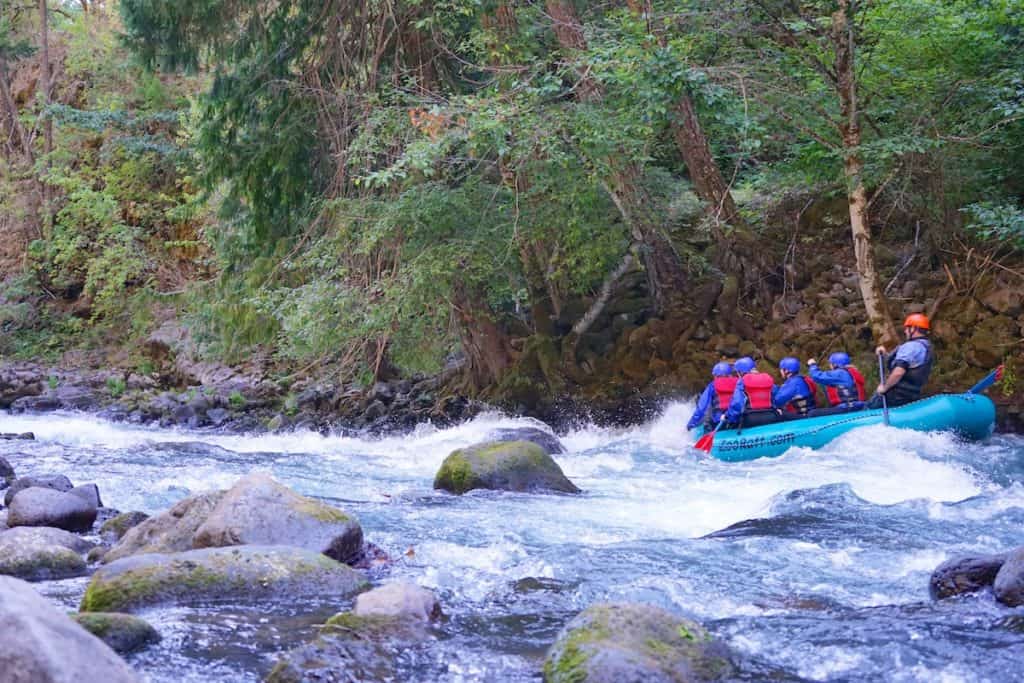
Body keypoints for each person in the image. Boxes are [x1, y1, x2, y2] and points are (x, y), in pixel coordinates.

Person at [870, 313, 934, 408]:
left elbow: (898, 372)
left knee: (870, 407)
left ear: (914, 329)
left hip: (896, 395)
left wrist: (884, 387)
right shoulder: (926, 346)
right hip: (913, 395)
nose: (905, 331)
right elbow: (910, 363)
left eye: (907, 328)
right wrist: (884, 355)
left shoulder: (911, 346)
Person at [724, 356, 777, 427]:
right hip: (771, 416)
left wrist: (730, 419)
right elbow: (776, 397)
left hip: (750, 419)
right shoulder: (766, 379)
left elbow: (737, 404)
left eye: (737, 372)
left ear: (740, 372)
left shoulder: (741, 382)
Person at [686, 362, 736, 431]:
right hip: (736, 420)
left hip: (719, 422)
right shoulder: (738, 384)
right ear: (729, 374)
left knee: (708, 418)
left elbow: (701, 408)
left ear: (716, 375)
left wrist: (691, 424)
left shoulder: (712, 386)